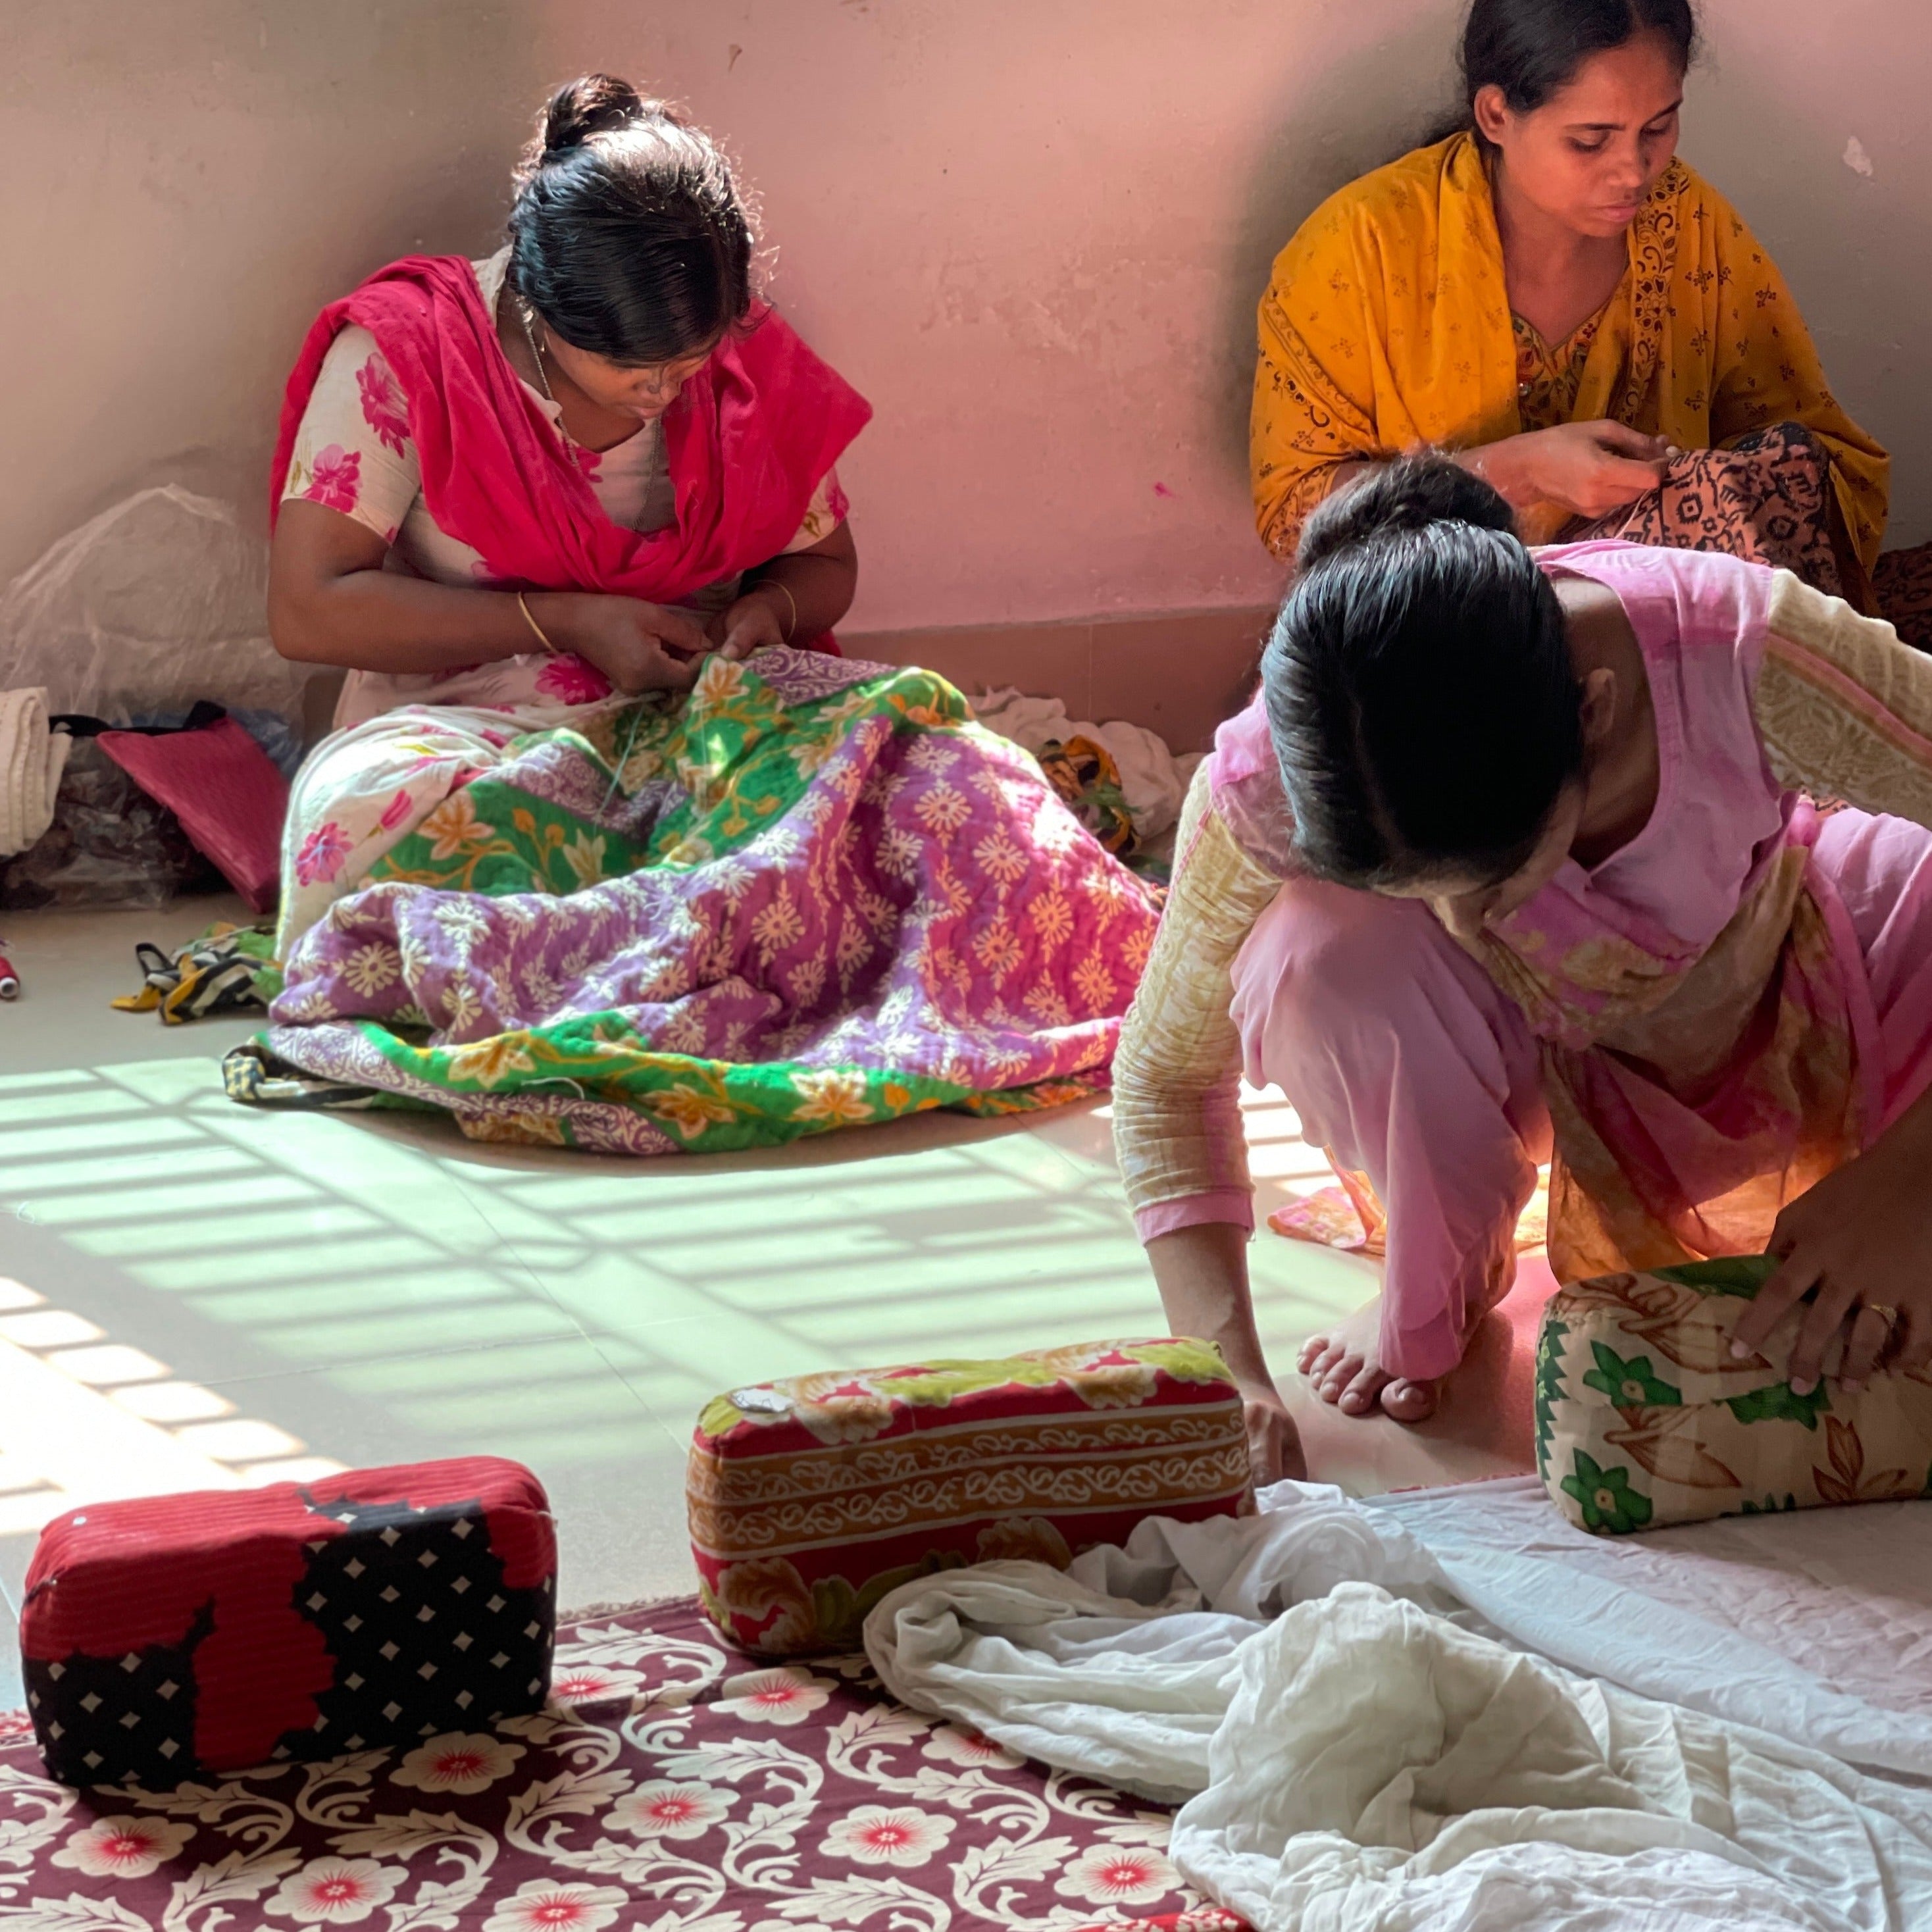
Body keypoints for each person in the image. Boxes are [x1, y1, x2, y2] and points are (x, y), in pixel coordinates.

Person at [1114, 456, 1932, 1479]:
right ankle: (1452, 1260)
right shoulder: (1282, 773)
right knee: (1318, 961)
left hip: (1773, 983)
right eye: (1426, 894)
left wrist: (1912, 1180)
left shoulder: (1742, 649)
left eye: (1501, 879)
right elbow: (1162, 1080)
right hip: (1525, 1055)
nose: (1468, 926)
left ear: (1593, 716)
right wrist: (1226, 1371)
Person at [267, 74, 868, 950]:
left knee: (932, 776)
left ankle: (644, 944)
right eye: (636, 373)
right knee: (361, 825)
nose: (667, 394)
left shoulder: (743, 353)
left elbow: (825, 565)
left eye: (690, 364)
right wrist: (568, 624)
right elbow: (307, 606)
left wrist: (766, 613)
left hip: (702, 720)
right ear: (542, 312)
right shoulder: (412, 354)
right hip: (472, 725)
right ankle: (674, 943)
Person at [1248, 0, 1918, 623]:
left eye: (1657, 127)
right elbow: (1293, 511)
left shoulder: (1685, 224)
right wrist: (1516, 471)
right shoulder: (1359, 250)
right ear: (1495, 116)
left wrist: (1689, 490)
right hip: (1435, 627)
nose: (1633, 170)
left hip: (1648, 629)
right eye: (1590, 140)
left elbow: (1813, 447)